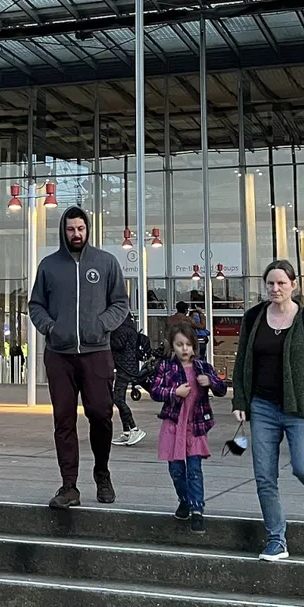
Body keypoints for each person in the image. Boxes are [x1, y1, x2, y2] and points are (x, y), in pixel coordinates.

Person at [231, 260, 304, 562]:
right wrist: (240, 400)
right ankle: (276, 538)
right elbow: (242, 362)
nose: (275, 288)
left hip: (300, 409)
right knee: (264, 476)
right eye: (270, 283)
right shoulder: (253, 318)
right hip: (262, 406)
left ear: (294, 285)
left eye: (281, 283)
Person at [28, 205, 130, 509]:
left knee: (101, 414)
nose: (76, 234)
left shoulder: (106, 262)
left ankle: (102, 472)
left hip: (97, 353)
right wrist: (51, 328)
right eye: (71, 229)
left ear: (88, 230)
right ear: (64, 231)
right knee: (64, 420)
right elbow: (36, 305)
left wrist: (101, 325)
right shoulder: (49, 265)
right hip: (59, 355)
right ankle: (69, 486)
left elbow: (120, 304)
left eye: (81, 229)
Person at [148, 324, 225, 527]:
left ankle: (197, 508)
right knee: (176, 470)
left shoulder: (202, 367)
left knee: (194, 469)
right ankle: (185, 500)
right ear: (172, 346)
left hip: (195, 426)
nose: (184, 349)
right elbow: (155, 390)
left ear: (194, 346)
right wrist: (174, 392)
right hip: (173, 425)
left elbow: (221, 388)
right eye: (179, 344)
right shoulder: (166, 367)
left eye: (188, 345)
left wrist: (210, 382)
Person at [110, 314, 146, 446]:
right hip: (127, 366)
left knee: (117, 398)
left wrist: (107, 336)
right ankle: (126, 432)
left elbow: (118, 345)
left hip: (124, 368)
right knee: (120, 399)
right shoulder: (130, 328)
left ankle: (134, 428)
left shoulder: (121, 330)